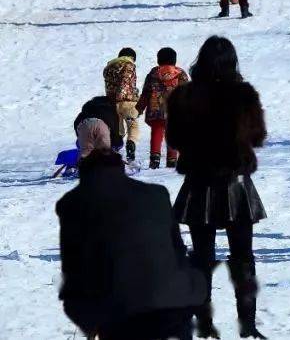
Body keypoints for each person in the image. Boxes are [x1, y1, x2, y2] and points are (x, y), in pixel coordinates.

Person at [56, 126, 206, 340]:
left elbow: (75, 277)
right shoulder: (157, 194)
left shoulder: (73, 204)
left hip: (122, 315)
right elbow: (179, 254)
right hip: (174, 306)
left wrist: (91, 324)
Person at [167, 36, 268, 339]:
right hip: (236, 185)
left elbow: (174, 139)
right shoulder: (244, 95)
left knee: (201, 257)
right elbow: (258, 136)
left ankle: (204, 324)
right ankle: (247, 324)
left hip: (200, 184)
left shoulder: (184, 96)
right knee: (243, 257)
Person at [136, 47, 190, 170]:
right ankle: (172, 160)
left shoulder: (153, 73)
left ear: (158, 60)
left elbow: (146, 93)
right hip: (175, 112)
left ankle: (154, 158)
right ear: (174, 60)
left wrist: (139, 108)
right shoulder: (181, 74)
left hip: (156, 110)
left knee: (157, 131)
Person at [103, 48, 141, 162]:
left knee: (118, 129)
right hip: (127, 101)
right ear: (132, 57)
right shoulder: (129, 65)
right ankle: (131, 144)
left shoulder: (108, 67)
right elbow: (126, 82)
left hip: (112, 103)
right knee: (132, 125)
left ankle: (115, 150)